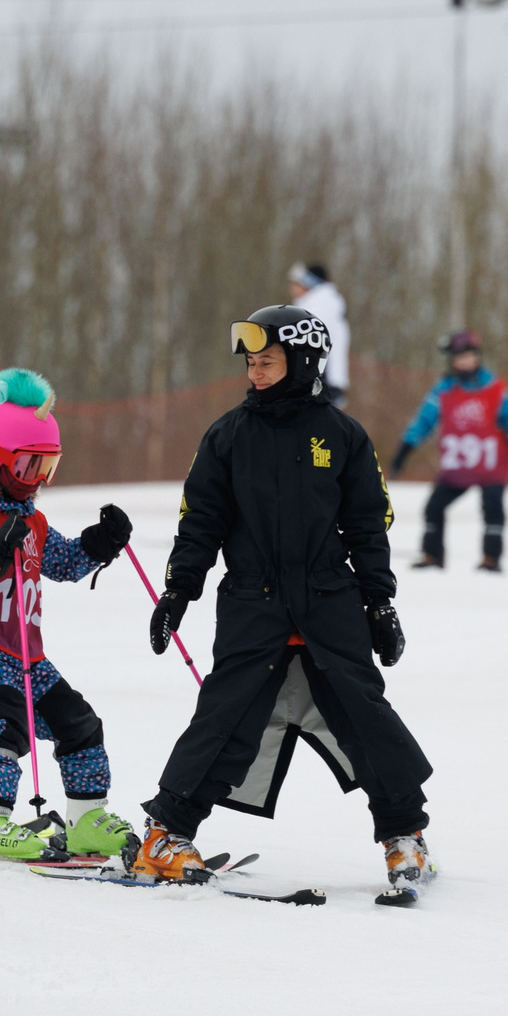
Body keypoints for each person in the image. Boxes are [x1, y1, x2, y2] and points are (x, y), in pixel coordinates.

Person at [138, 304, 437, 905]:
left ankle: (405, 838)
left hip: (329, 606)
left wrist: (379, 603)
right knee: (224, 720)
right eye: (251, 363)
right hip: (253, 605)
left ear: (303, 363)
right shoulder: (228, 436)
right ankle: (165, 835)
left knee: (366, 722)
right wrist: (178, 590)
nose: (255, 372)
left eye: (268, 362)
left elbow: (367, 525)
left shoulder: (343, 436)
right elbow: (200, 521)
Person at [0, 369, 136, 861]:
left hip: (26, 653)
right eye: (28, 467)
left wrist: (100, 543)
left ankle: (87, 820)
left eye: (48, 468)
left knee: (78, 722)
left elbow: (62, 563)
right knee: (4, 728)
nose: (38, 480)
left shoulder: (30, 519)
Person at [390, 329, 508, 574]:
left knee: (493, 509)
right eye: (459, 358)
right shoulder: (444, 390)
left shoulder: (495, 388)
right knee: (434, 507)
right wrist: (404, 451)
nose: (464, 362)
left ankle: (491, 558)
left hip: (490, 464)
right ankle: (432, 554)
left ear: (477, 357)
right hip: (457, 466)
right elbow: (423, 421)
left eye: (468, 357)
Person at [287, 263, 351, 408]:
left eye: (296, 283)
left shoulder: (320, 307)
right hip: (323, 376)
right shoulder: (323, 304)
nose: (292, 288)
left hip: (319, 375)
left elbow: (313, 344)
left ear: (307, 284)